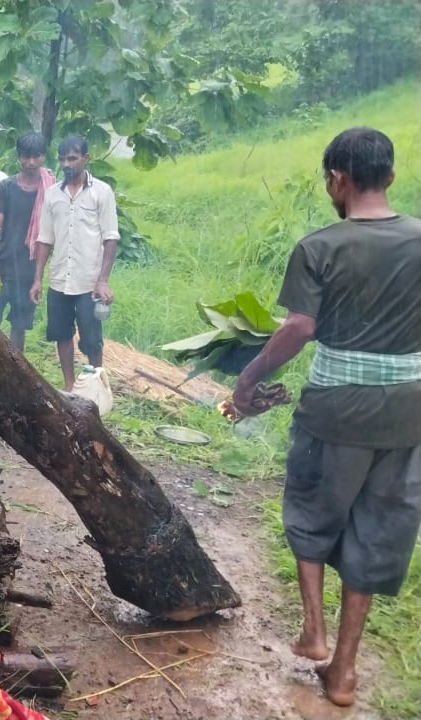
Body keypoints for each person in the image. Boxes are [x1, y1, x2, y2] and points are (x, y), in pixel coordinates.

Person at [230, 127, 421, 708]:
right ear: (388, 176)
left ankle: (312, 629)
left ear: (337, 179)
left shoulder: (320, 247)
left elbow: (299, 328)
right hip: (407, 414)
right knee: (376, 527)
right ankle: (343, 671)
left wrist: (250, 376)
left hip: (335, 410)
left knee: (313, 510)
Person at [29, 135, 119, 391]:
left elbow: (110, 237)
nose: (66, 164)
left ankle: (97, 387)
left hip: (89, 282)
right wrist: (38, 279)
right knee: (62, 335)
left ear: (85, 158)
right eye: (62, 159)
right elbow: (44, 239)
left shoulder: (101, 192)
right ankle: (69, 387)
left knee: (92, 340)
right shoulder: (52, 195)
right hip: (59, 280)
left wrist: (103, 280)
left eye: (72, 158)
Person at [0, 131, 54, 353]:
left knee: (19, 327)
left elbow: (50, 235)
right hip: (3, 266)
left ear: (43, 156)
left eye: (36, 156)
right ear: (19, 157)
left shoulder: (51, 191)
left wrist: (38, 278)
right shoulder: (7, 187)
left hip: (28, 270)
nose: (31, 162)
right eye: (26, 156)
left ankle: (17, 369)